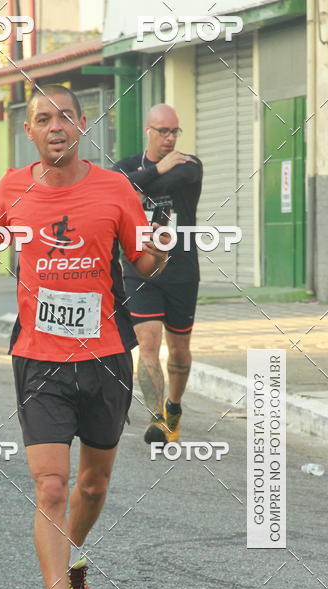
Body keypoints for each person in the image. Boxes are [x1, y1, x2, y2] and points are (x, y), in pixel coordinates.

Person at [0, 85, 170, 589]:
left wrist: (163, 246)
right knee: (51, 485)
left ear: (81, 126)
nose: (55, 127)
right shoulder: (12, 186)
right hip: (39, 358)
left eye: (66, 118)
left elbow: (143, 261)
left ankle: (74, 556)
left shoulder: (115, 189)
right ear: (30, 131)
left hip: (105, 358)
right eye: (43, 118)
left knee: (93, 484)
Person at [112, 104, 203, 445]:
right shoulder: (124, 166)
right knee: (148, 343)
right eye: (162, 131)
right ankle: (157, 418)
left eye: (174, 132)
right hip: (138, 269)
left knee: (179, 350)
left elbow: (123, 190)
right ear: (147, 131)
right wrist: (150, 173)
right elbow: (114, 190)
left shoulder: (189, 165)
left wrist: (140, 183)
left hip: (181, 270)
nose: (169, 138)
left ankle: (174, 406)